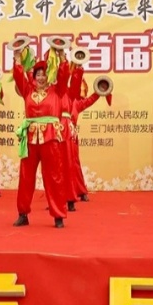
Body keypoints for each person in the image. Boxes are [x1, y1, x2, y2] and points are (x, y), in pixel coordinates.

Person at [12, 50, 71, 228]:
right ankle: (23, 213)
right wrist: (17, 59)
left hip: (50, 138)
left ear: (49, 76)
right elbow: (18, 76)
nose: (41, 77)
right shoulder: (27, 90)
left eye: (44, 74)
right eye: (38, 74)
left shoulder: (56, 90)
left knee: (54, 177)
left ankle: (58, 215)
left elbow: (64, 75)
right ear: (34, 77)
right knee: (26, 177)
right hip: (30, 139)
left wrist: (62, 57)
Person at [68, 67, 103, 204]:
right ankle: (58, 196)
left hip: (71, 137)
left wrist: (99, 92)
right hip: (56, 135)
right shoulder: (56, 98)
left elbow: (90, 100)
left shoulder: (76, 103)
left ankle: (81, 191)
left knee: (74, 164)